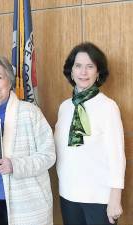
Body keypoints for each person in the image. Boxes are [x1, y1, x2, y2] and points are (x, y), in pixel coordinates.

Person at [0, 56, 56, 225]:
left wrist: (15, 165)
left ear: (9, 80)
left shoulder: (31, 113)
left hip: (27, 203)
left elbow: (48, 155)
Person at [54, 42, 126, 225]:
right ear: (71, 71)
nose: (83, 72)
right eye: (78, 66)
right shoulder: (64, 107)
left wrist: (115, 198)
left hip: (99, 198)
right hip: (68, 194)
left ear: (98, 72)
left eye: (90, 66)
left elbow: (117, 156)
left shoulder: (108, 107)